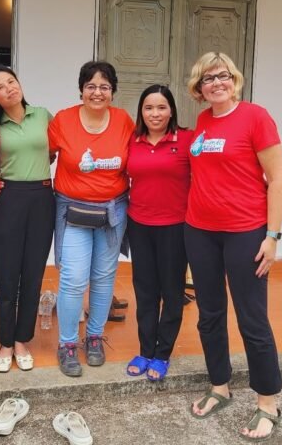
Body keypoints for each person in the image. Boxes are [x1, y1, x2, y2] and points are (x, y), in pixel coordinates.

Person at [184, 52, 282, 441]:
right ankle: (220, 386)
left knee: (252, 319)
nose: (216, 83)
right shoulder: (203, 121)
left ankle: (267, 403)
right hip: (200, 231)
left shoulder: (256, 117)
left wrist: (272, 236)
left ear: (235, 79)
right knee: (209, 314)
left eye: (222, 76)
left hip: (245, 232)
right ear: (199, 88)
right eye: (207, 79)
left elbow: (278, 179)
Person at [48, 61, 135, 377]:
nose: (97, 92)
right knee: (73, 278)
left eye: (104, 87)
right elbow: (44, 155)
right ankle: (68, 343)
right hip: (73, 210)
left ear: (112, 91)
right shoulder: (63, 120)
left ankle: (95, 337)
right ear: (81, 90)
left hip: (113, 210)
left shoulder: (124, 121)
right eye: (91, 86)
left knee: (103, 276)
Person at [0, 65, 55, 372]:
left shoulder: (42, 115)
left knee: (33, 272)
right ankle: (5, 342)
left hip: (42, 197)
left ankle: (22, 339)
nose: (9, 89)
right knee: (7, 272)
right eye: (0, 87)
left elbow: (55, 150)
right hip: (9, 198)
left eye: (11, 82)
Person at [125, 85, 193, 382]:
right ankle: (145, 350)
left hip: (175, 228)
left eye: (161, 107)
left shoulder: (187, 139)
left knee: (172, 292)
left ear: (171, 110)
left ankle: (163, 353)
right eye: (149, 108)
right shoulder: (133, 140)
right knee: (145, 290)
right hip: (139, 224)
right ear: (141, 111)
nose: (155, 114)